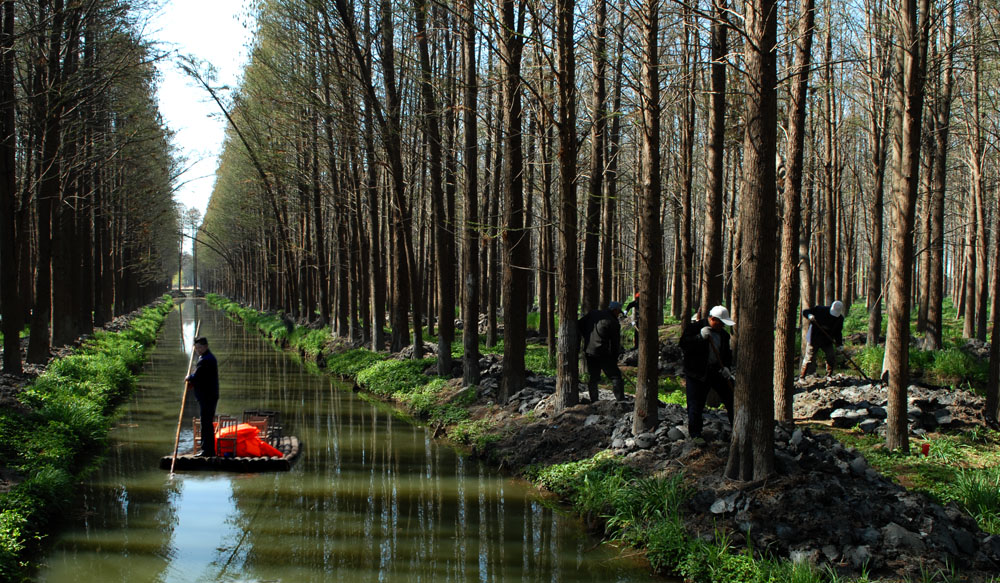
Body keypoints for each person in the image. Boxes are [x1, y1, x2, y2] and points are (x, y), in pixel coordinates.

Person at [679, 305, 735, 440]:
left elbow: (726, 354)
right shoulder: (695, 328)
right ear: (713, 319)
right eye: (720, 323)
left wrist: (726, 368)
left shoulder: (723, 335)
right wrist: (699, 337)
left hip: (716, 371)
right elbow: (684, 345)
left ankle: (736, 429)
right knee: (695, 404)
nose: (721, 326)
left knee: (731, 398)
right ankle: (695, 434)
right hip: (697, 373)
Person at [577, 301, 625, 402]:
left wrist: (587, 337)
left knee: (594, 377)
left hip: (589, 351)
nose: (618, 314)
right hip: (604, 354)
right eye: (618, 312)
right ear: (615, 310)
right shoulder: (613, 322)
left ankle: (594, 400)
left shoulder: (593, 313)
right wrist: (614, 359)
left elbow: (580, 324)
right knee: (616, 377)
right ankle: (621, 401)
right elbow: (615, 344)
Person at [185, 337, 219, 456]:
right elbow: (201, 376)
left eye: (200, 347)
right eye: (196, 348)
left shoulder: (206, 359)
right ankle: (207, 449)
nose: (198, 350)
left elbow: (198, 376)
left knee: (206, 423)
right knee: (206, 422)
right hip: (209, 396)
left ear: (206, 347)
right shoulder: (205, 358)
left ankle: (207, 450)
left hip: (208, 396)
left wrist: (189, 378)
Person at [801, 300, 845, 378]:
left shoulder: (839, 319)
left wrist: (839, 344)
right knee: (809, 358)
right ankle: (802, 377)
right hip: (814, 338)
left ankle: (828, 375)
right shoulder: (820, 310)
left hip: (827, 341)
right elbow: (805, 311)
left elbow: (838, 333)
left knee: (831, 356)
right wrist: (809, 315)